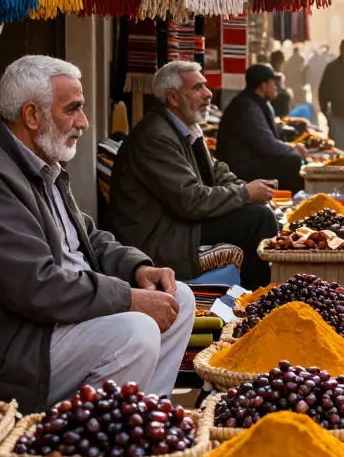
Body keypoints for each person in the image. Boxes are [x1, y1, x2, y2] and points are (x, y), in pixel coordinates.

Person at [0, 55, 195, 412]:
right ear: (32, 116)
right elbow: (35, 284)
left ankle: (142, 422)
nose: (84, 122)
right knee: (134, 334)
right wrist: (127, 298)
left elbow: (83, 238)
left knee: (178, 298)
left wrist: (136, 268)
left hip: (39, 326)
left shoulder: (39, 163)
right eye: (73, 109)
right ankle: (86, 438)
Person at [111, 61, 279, 289]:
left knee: (259, 212)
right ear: (173, 98)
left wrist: (245, 189)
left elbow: (217, 171)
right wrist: (244, 193)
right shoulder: (156, 137)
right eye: (197, 88)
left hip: (179, 224)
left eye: (205, 86)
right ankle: (255, 300)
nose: (208, 94)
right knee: (258, 219)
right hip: (161, 237)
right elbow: (191, 201)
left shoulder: (184, 127)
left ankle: (256, 294)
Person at [216, 64, 308, 193]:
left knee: (292, 157)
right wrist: (293, 149)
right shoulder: (247, 107)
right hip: (241, 168)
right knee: (292, 160)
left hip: (253, 160)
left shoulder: (256, 103)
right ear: (263, 86)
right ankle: (289, 205)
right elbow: (268, 145)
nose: (276, 86)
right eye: (273, 83)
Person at [268, 50, 293, 118]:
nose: (282, 65)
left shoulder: (279, 76)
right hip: (276, 113)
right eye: (281, 62)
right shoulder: (271, 75)